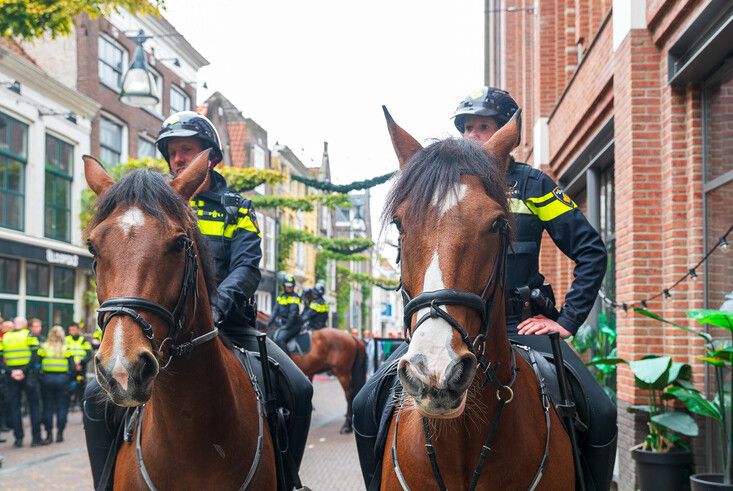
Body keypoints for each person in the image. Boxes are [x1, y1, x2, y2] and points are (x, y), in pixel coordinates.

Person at [353, 88, 614, 491]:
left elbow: (591, 251)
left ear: (505, 134)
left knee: (600, 411)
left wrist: (566, 321)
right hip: (448, 324)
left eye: (485, 127)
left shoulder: (534, 186)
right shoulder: (441, 188)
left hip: (523, 328)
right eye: (467, 128)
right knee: (366, 405)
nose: (474, 136)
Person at [83, 111, 312, 490]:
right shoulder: (159, 210)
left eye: (186, 150)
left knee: (298, 388)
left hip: (230, 324)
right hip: (166, 326)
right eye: (172, 152)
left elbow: (247, 264)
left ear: (210, 157)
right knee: (95, 395)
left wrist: (221, 305)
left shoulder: (235, 208)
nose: (177, 159)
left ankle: (288, 481)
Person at [0, 316, 44, 447]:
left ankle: (18, 439)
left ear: (14, 325)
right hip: (28, 376)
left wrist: (11, 371)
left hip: (11, 377)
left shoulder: (5, 337)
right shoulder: (29, 335)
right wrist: (23, 371)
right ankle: (36, 439)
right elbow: (35, 357)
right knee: (34, 406)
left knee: (15, 407)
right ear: (25, 325)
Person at [38, 326, 74, 444]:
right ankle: (60, 434)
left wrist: (41, 378)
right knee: (62, 408)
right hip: (62, 380)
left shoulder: (44, 347)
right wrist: (69, 379)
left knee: (47, 407)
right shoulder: (66, 348)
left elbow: (38, 364)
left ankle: (48, 435)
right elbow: (72, 367)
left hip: (47, 379)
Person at [268, 274, 302, 351]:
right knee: (270, 338)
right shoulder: (281, 296)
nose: (289, 288)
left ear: (293, 286)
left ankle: (287, 362)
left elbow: (292, 314)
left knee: (279, 339)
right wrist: (268, 322)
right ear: (284, 286)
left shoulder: (295, 297)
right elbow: (275, 311)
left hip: (293, 325)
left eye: (291, 286)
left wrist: (286, 326)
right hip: (283, 324)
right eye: (287, 286)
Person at [65, 322, 91, 409]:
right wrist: (73, 365)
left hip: (81, 369)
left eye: (74, 329)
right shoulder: (66, 340)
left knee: (81, 390)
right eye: (70, 330)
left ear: (78, 330)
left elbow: (89, 354)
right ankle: (69, 405)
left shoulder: (83, 340)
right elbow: (65, 354)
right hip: (70, 369)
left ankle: (82, 408)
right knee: (69, 389)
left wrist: (81, 362)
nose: (72, 331)